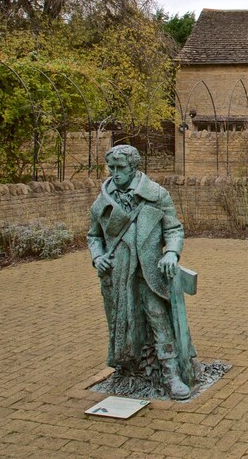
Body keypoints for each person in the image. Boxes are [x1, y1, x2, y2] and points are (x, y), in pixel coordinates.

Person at [87, 144, 195, 400]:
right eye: (111, 167)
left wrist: (171, 252)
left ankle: (171, 374)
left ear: (134, 167)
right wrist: (97, 257)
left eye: (120, 168)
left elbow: (174, 229)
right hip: (118, 273)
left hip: (149, 271)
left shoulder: (156, 194)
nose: (115, 173)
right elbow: (93, 236)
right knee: (122, 322)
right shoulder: (103, 201)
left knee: (159, 319)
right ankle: (128, 370)